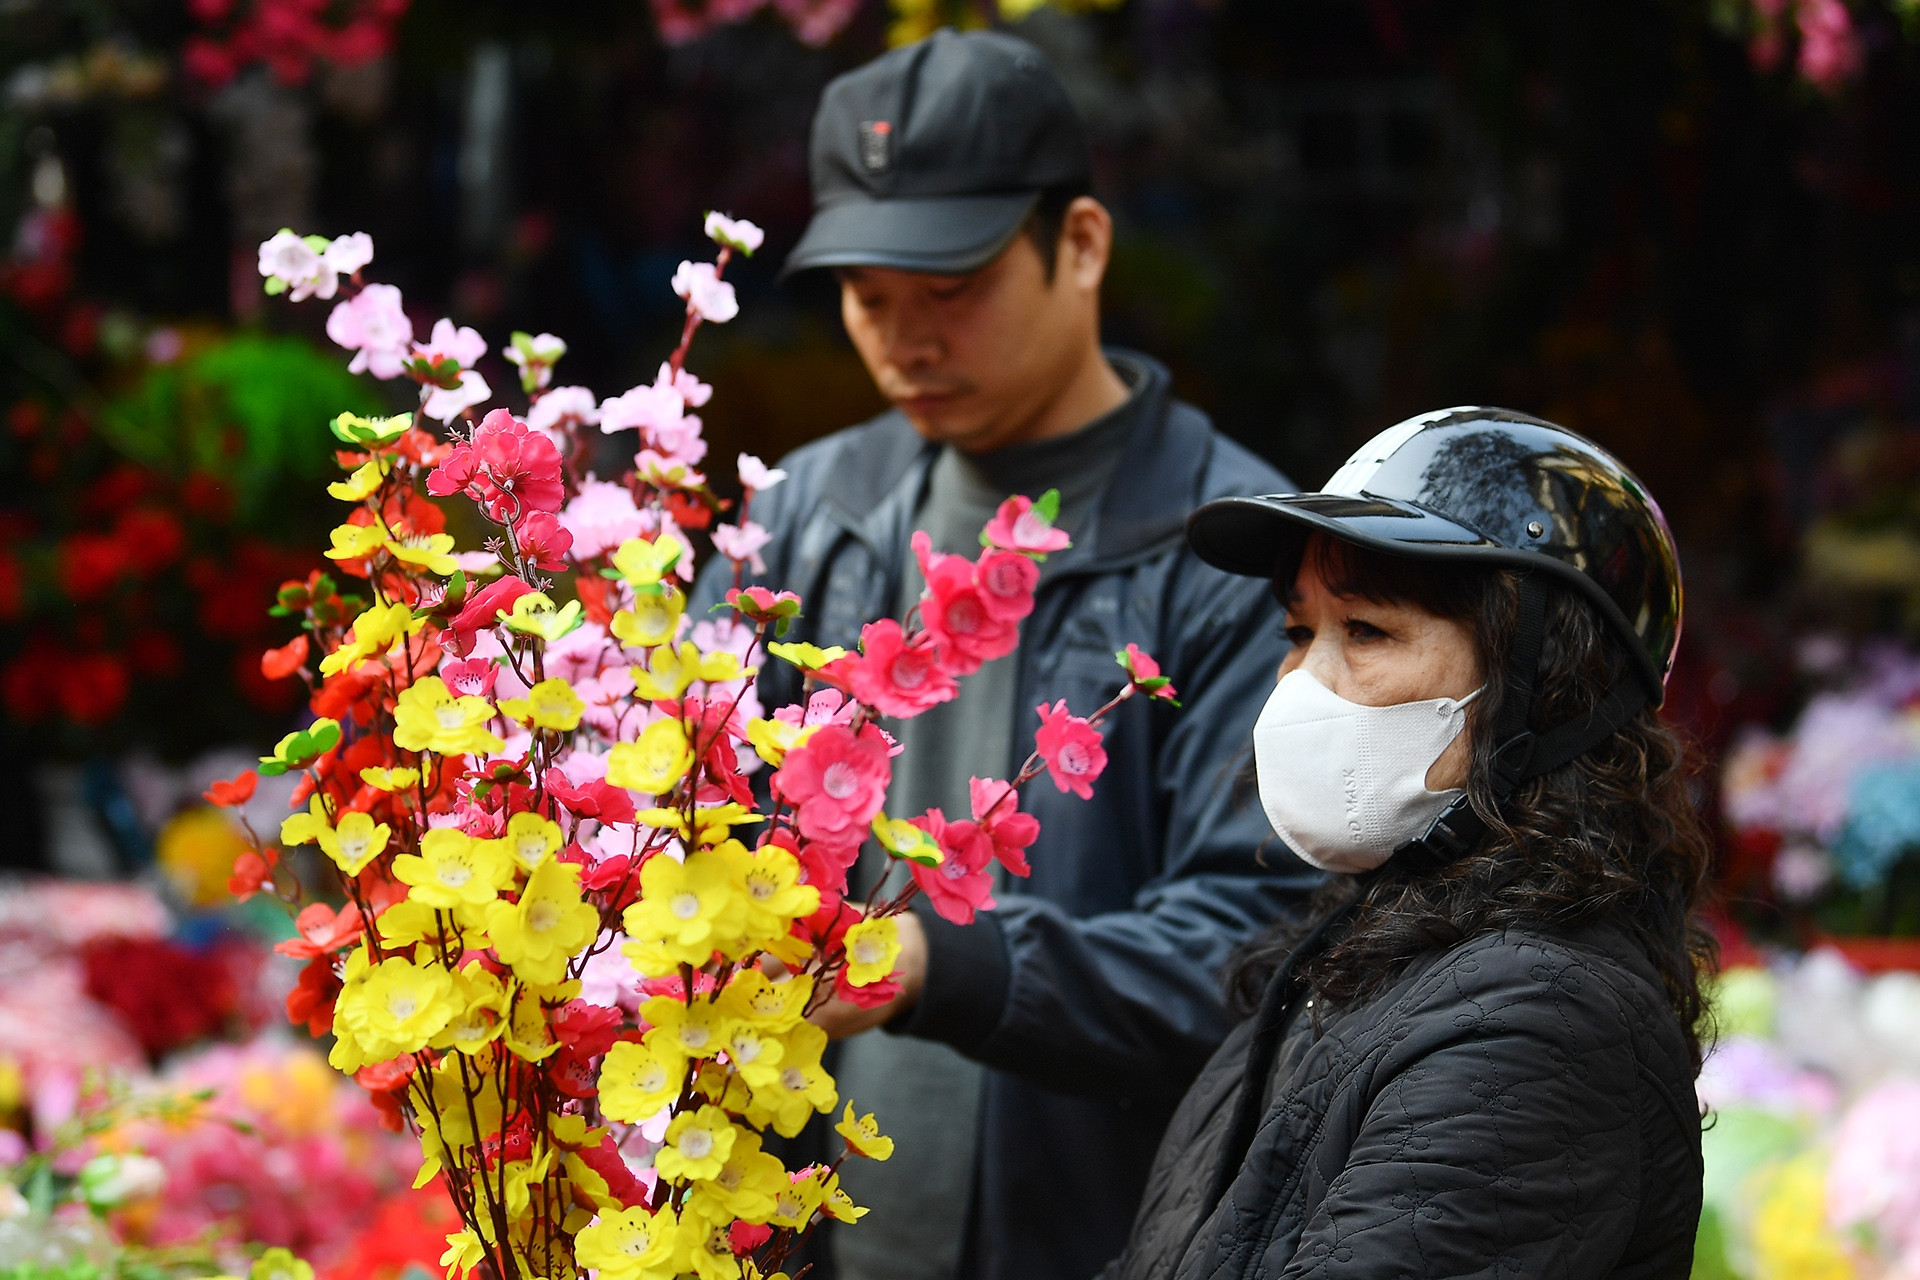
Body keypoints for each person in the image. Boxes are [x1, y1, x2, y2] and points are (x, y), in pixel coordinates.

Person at [692, 26, 1320, 1280]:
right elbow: (681, 811)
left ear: (1080, 245)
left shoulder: (1230, 550)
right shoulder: (808, 516)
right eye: (869, 296)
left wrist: (947, 965)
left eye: (952, 289)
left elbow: (1262, 946)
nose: (905, 341)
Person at [1103, 407, 1711, 1278]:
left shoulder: (1537, 1027)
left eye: (1367, 632)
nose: (1303, 686)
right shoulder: (1365, 954)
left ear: (1547, 690)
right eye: (1298, 633)